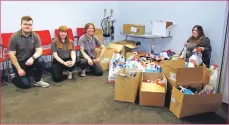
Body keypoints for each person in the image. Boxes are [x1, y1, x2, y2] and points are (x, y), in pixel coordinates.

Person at [8, 16, 49, 89]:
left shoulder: (35, 35)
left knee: (40, 60)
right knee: (26, 85)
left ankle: (38, 81)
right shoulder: (14, 37)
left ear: (32, 26)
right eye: (25, 24)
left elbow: (39, 50)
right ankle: (13, 77)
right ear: (21, 25)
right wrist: (19, 69)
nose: (27, 26)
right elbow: (12, 55)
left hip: (30, 61)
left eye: (29, 24)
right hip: (19, 63)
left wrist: (33, 58)